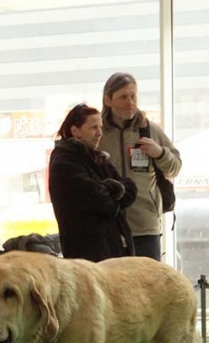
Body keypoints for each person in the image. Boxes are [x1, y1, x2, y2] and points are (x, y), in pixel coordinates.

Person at [99, 72, 182, 261]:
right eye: (123, 97)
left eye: (133, 96)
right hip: (108, 227)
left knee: (149, 286)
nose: (130, 102)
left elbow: (175, 167)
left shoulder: (149, 130)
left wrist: (160, 153)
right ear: (107, 100)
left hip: (145, 227)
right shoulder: (98, 134)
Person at [49, 103, 137, 261]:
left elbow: (131, 189)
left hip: (112, 252)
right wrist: (115, 193)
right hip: (88, 256)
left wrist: (112, 192)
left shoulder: (98, 158)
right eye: (93, 128)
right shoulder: (64, 163)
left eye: (100, 127)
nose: (99, 133)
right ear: (75, 131)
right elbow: (101, 201)